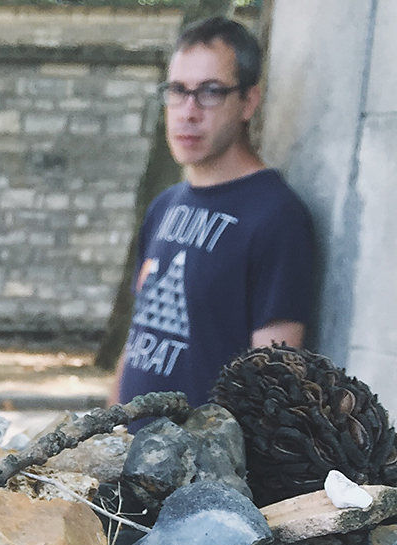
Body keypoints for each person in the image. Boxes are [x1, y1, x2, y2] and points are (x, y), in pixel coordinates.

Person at [111, 16, 313, 421]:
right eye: (178, 91)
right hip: (127, 456)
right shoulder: (164, 206)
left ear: (248, 102)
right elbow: (139, 339)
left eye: (210, 92)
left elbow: (272, 385)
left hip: (202, 473)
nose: (188, 112)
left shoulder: (276, 216)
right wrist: (107, 428)